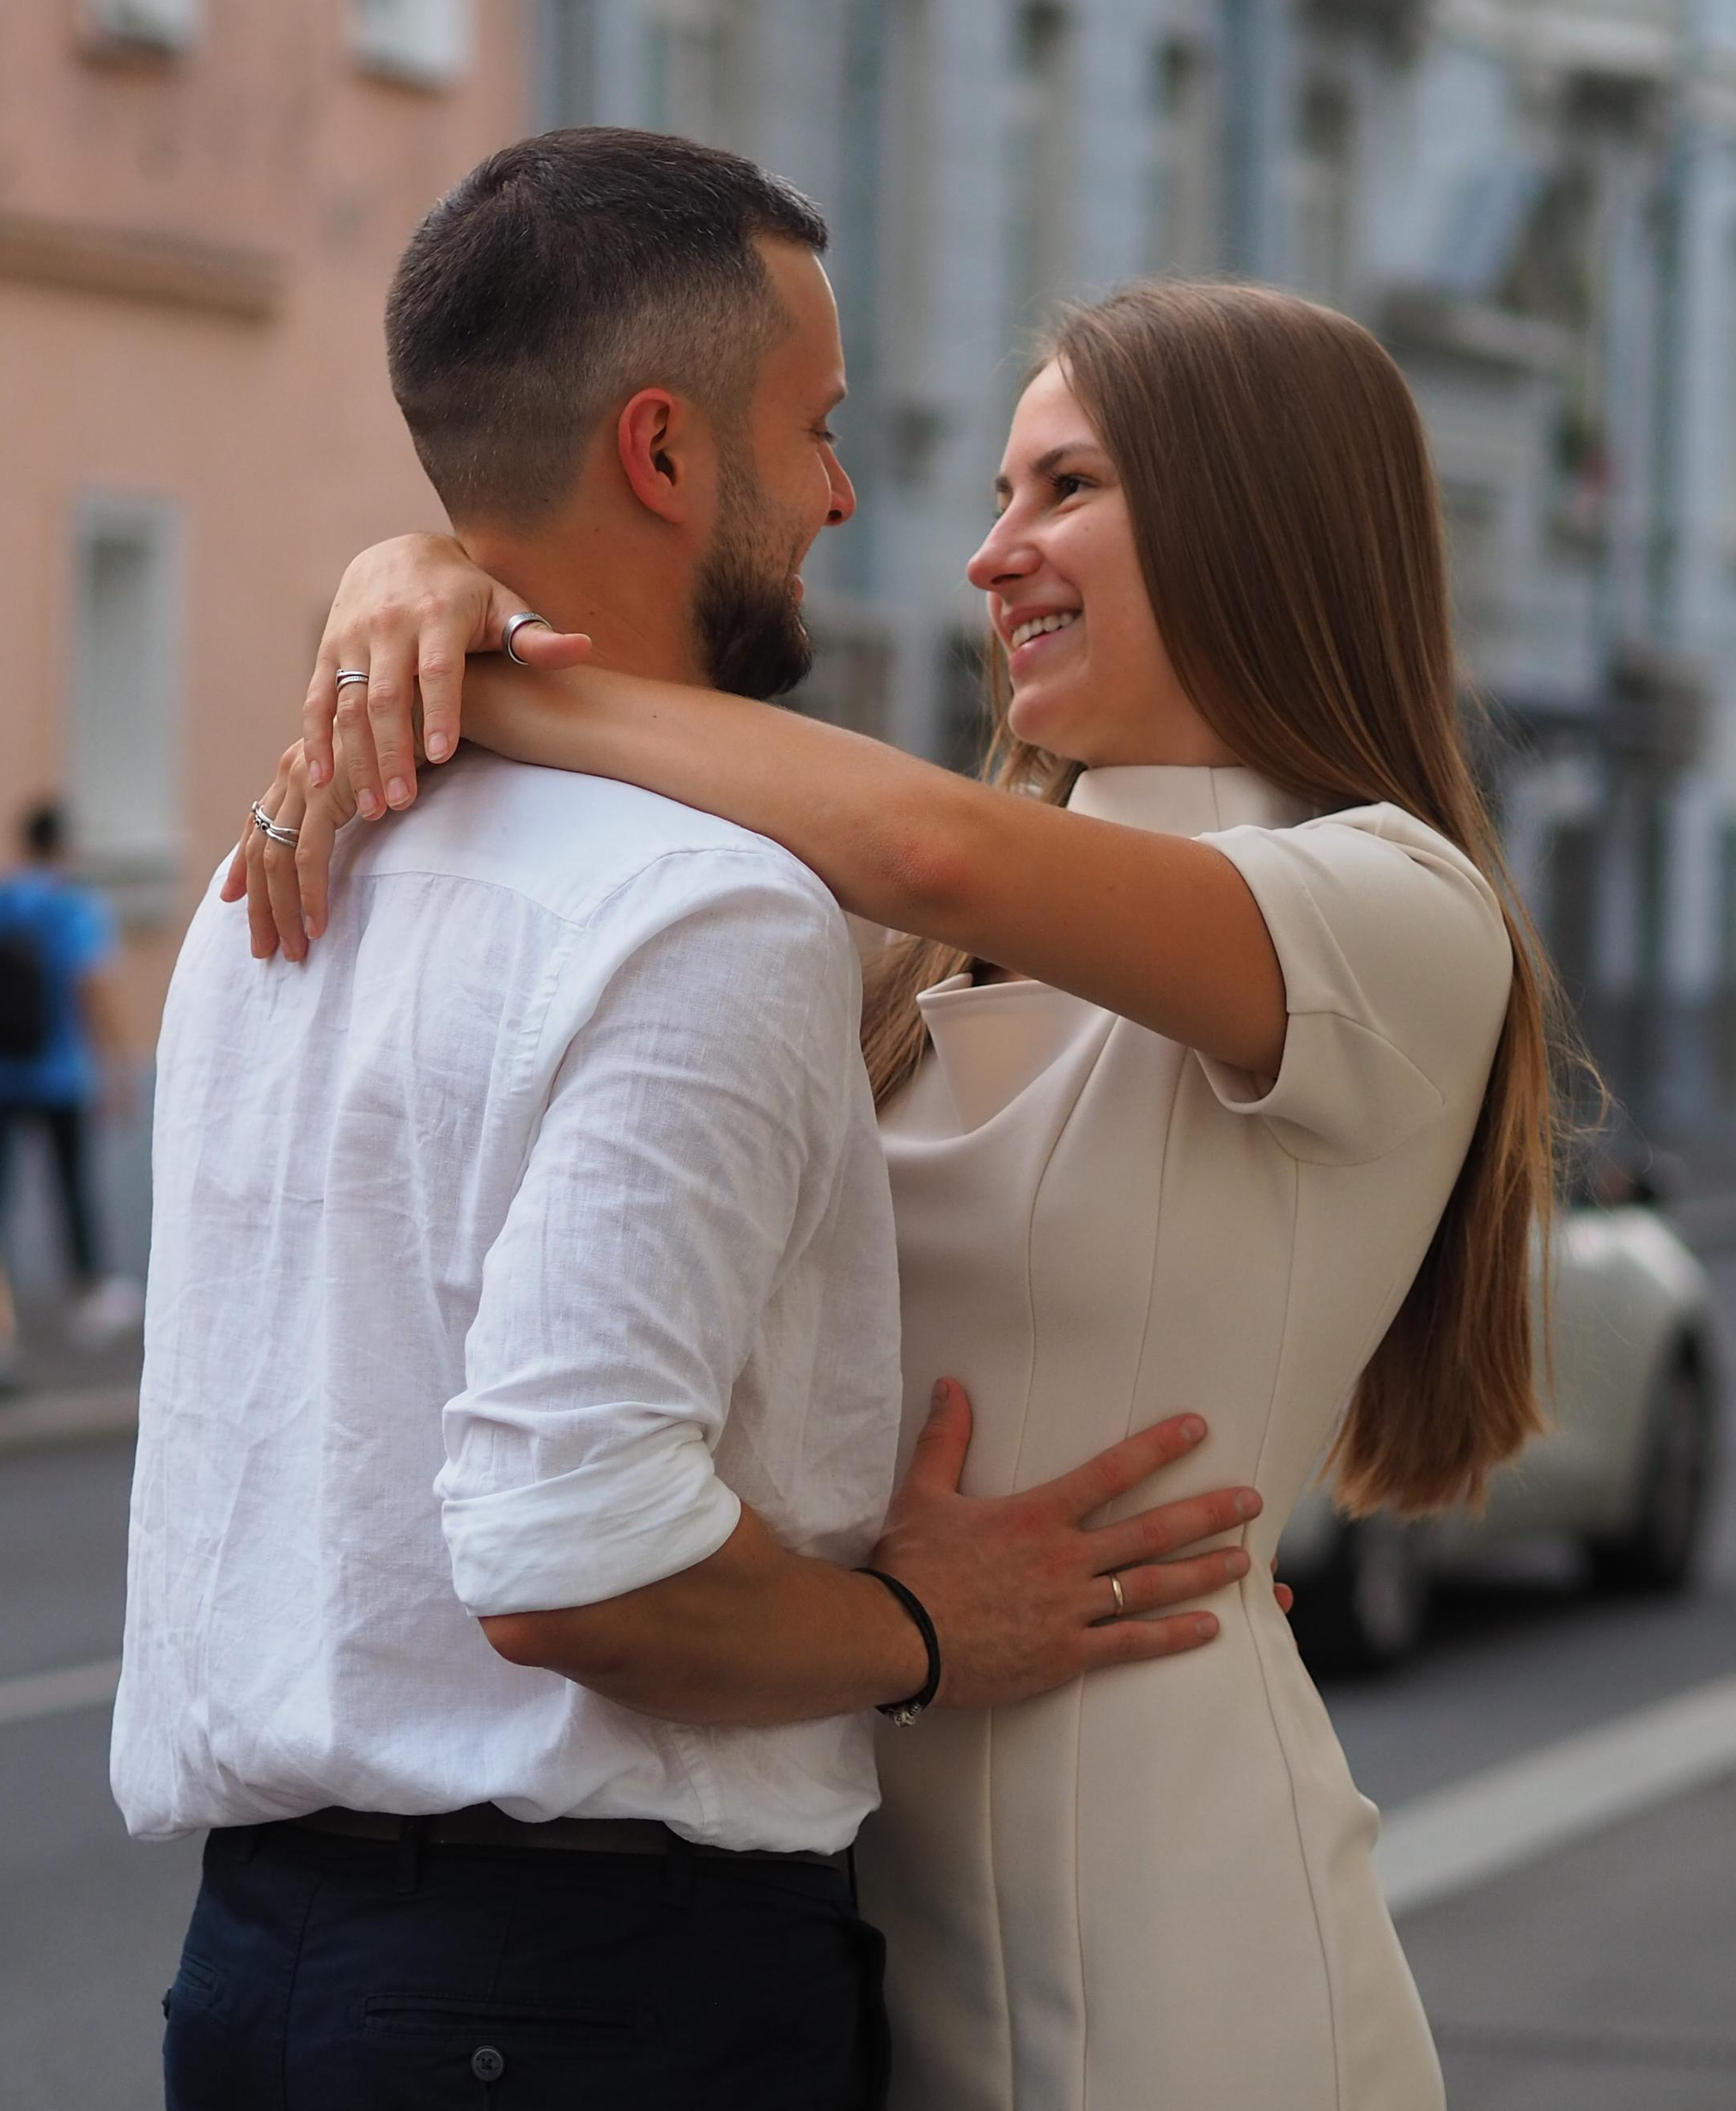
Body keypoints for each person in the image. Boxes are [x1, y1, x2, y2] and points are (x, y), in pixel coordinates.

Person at [250, 267, 1571, 2108]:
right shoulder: (894, 946)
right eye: (1000, 490)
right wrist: (395, 580)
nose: (986, 555)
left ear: (1258, 515)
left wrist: (473, 678)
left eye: (1065, 489)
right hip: (835, 1916)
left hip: (1159, 1941)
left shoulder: (1389, 907)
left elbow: (928, 837)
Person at [114, 130, 1264, 2111]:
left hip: (265, 1977)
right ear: (659, 452)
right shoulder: (701, 909)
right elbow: (576, 1555)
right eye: (809, 429)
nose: (837, 491)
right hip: (585, 2003)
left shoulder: (272, 869)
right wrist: (921, 1622)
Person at [0, 798, 139, 1347]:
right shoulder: (76, 907)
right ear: (62, 845)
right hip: (60, 1074)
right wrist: (118, 1068)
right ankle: (85, 1297)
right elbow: (94, 990)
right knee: (71, 1190)